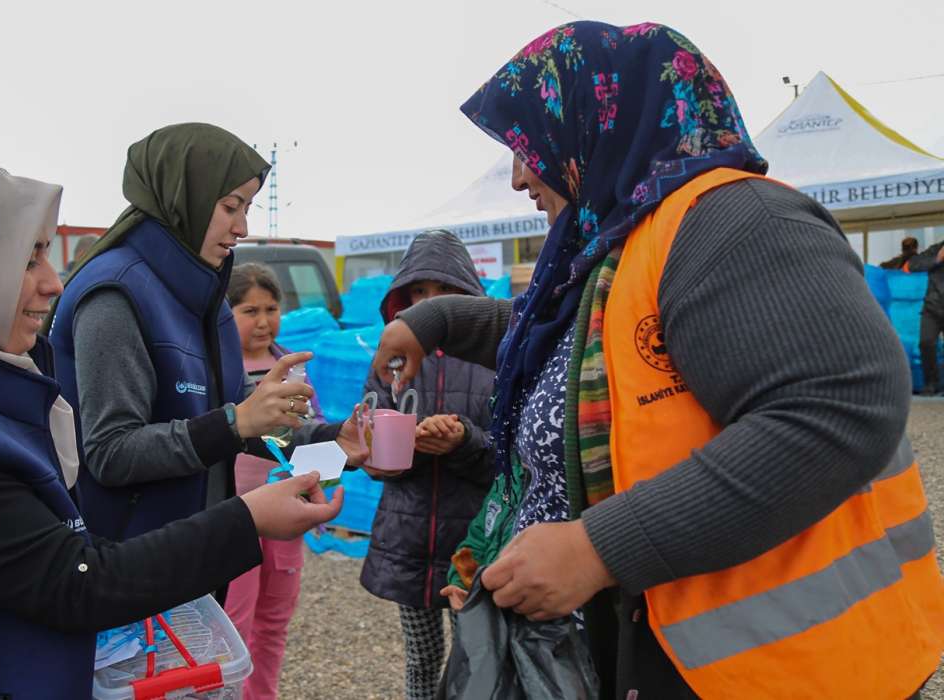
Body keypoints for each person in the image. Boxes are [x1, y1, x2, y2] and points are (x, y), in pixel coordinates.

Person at [372, 22, 944, 699]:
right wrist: (431, 321)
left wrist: (596, 549)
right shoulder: (628, 241)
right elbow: (580, 347)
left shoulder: (734, 220)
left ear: (597, 118)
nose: (522, 175)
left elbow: (838, 407)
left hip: (787, 668)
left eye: (529, 144)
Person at [0, 160, 343, 699]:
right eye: (26, 260)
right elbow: (77, 575)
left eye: (45, 253)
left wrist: (330, 440)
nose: (52, 283)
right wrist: (247, 516)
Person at [49, 123, 365, 542]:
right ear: (185, 198)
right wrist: (234, 422)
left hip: (191, 548)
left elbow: (239, 418)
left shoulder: (202, 293)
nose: (243, 227)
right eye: (230, 206)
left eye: (248, 207)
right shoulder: (114, 294)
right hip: (127, 559)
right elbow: (111, 453)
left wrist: (333, 442)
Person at [354, 230, 496, 700]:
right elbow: (366, 444)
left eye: (444, 294)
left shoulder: (493, 361)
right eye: (419, 293)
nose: (429, 305)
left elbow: (511, 458)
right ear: (402, 298)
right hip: (407, 539)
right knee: (420, 657)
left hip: (472, 543)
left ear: (468, 297)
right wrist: (395, 450)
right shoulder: (389, 360)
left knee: (476, 656)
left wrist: (462, 440)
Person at [222, 262, 320, 700]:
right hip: (235, 515)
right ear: (226, 313)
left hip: (287, 512)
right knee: (235, 619)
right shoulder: (220, 368)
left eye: (272, 308)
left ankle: (263, 693)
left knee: (276, 616)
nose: (263, 321)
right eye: (249, 310)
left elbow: (308, 435)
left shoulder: (291, 366)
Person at [908, 240, 944, 395]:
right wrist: (937, 259)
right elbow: (913, 265)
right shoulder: (937, 249)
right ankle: (931, 383)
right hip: (932, 306)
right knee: (926, 342)